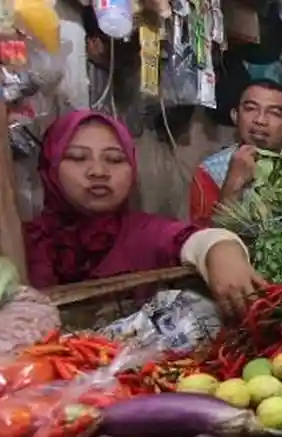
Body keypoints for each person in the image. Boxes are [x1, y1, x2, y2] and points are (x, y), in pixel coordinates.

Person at [23, 109, 265, 317]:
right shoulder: (20, 243)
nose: (98, 171)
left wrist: (222, 250)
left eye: (115, 159)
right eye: (77, 157)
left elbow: (191, 238)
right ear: (50, 167)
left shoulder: (141, 233)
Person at [189, 79, 282, 224]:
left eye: (274, 113)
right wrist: (233, 184)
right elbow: (205, 239)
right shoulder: (209, 173)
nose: (260, 120)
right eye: (250, 109)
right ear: (235, 116)